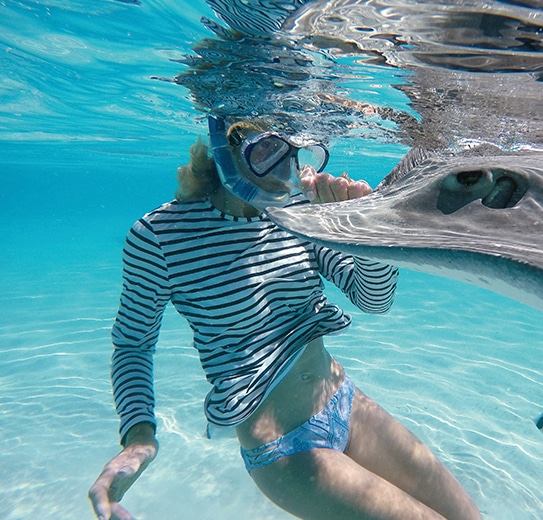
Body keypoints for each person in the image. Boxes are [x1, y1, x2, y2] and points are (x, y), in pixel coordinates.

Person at [88, 115, 481, 520]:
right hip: (286, 447)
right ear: (225, 146)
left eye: (294, 152)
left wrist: (364, 230)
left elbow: (373, 299)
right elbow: (133, 344)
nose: (282, 169)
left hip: (345, 399)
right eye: (267, 150)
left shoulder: (299, 210)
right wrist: (139, 437)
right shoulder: (159, 236)